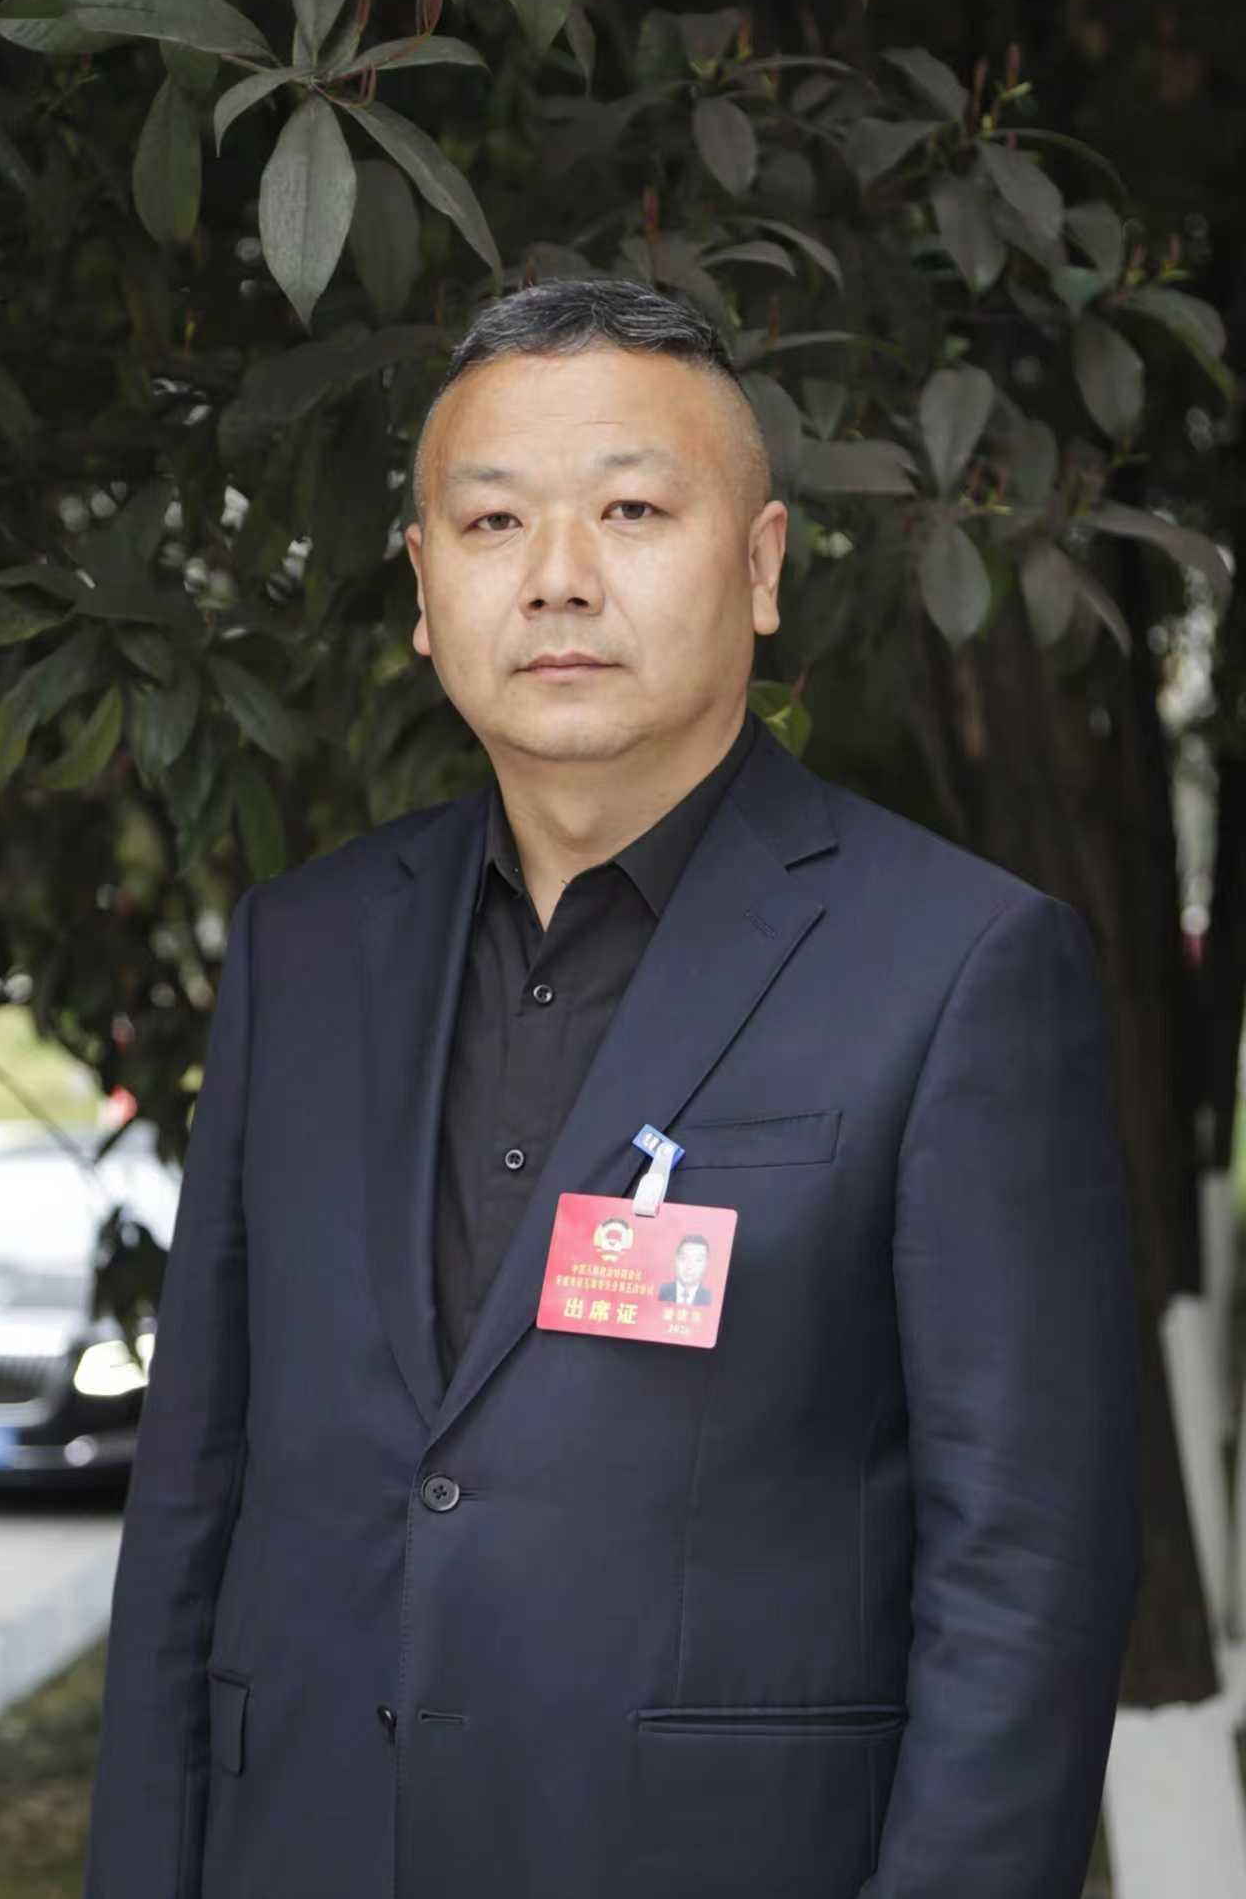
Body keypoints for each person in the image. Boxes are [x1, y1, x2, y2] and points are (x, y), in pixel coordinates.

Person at [83, 278, 1141, 1899]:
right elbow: (192, 1495)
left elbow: (1027, 1573)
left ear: (762, 565)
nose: (560, 574)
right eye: (494, 521)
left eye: (633, 509)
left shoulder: (958, 967)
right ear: (425, 588)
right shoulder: (307, 948)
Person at [657, 1233, 713, 1306]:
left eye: (698, 1260)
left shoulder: (710, 1298)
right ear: (676, 1260)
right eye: (684, 1258)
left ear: (706, 1264)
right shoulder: (661, 1292)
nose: (689, 1266)